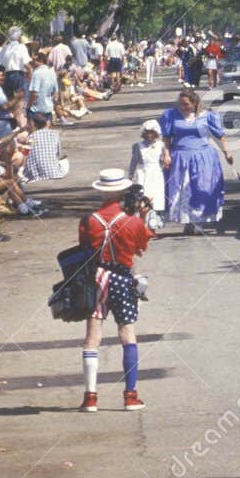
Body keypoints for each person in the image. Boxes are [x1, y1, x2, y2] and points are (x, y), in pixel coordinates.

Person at [79, 169, 154, 412]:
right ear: (122, 191)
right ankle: (130, 396)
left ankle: (90, 397)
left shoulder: (89, 220)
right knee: (127, 333)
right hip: (122, 277)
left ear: (101, 191)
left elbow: (84, 249)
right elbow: (141, 248)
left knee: (92, 336)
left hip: (97, 277)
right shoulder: (132, 222)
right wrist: (142, 216)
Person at [159, 88, 232, 235]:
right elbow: (166, 138)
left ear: (195, 103)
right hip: (180, 157)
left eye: (186, 104)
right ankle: (187, 221)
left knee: (200, 189)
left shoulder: (208, 116)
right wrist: (166, 155)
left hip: (203, 157)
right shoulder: (171, 115)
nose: (182, 107)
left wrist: (227, 154)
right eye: (180, 104)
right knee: (182, 190)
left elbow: (219, 137)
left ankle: (199, 222)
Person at [128, 119, 166, 221]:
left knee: (157, 195)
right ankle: (142, 218)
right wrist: (130, 175)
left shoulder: (161, 145)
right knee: (143, 194)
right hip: (144, 172)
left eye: (152, 133)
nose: (149, 135)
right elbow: (134, 161)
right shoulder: (138, 146)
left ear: (156, 133)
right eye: (147, 133)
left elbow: (162, 160)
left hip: (157, 173)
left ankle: (155, 219)